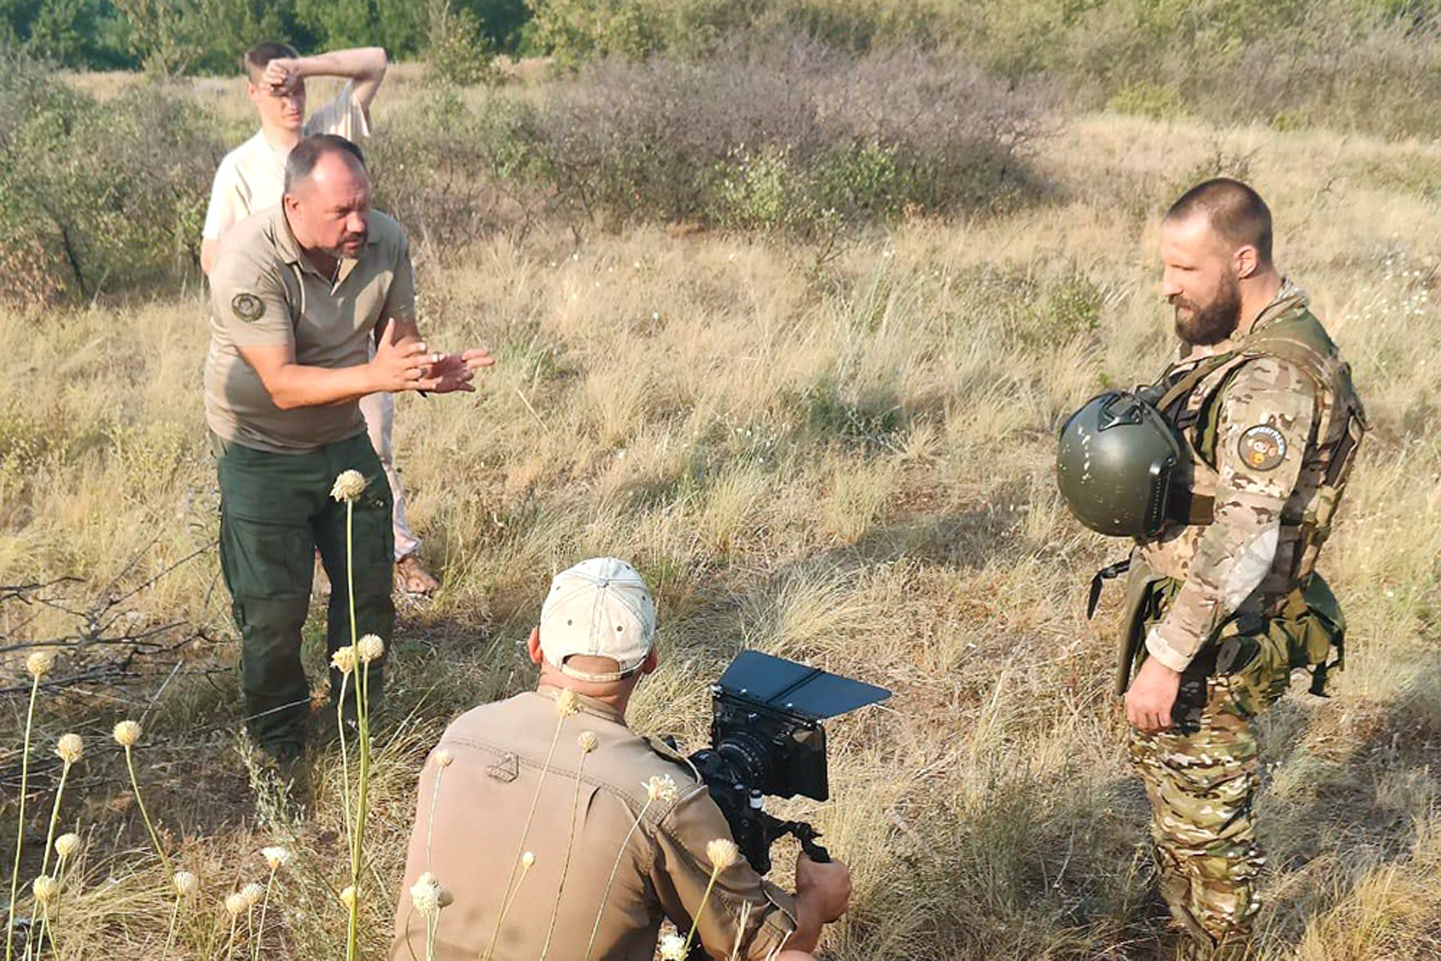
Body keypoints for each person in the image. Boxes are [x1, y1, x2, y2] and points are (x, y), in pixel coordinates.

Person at [1119, 180, 1366, 959]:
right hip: (1200, 619)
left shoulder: (1274, 377)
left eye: (1184, 269)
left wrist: (1164, 658)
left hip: (1219, 637)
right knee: (1183, 818)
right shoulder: (1245, 337)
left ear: (1243, 256)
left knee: (1206, 840)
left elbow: (1245, 537)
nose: (1167, 285)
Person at [389, 558, 853, 961]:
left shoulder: (462, 733)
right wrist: (815, 901)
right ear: (650, 660)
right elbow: (757, 946)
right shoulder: (659, 796)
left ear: (535, 647)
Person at [205, 134, 494, 759]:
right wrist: (379, 377)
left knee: (366, 594)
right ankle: (281, 743)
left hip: (343, 439)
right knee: (273, 614)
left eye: (364, 204)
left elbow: (399, 344)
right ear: (294, 206)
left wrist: (423, 370)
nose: (359, 222)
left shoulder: (385, 240)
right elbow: (280, 384)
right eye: (341, 211)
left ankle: (355, 727)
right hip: (261, 451)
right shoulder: (247, 259)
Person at [202, 41, 440, 596]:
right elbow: (216, 257)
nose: (291, 99)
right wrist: (262, 299)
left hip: (351, 334)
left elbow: (377, 62)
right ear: (253, 93)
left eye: (298, 88)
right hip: (278, 337)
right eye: (277, 88)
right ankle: (301, 559)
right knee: (287, 472)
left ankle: (395, 552)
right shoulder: (240, 168)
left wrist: (303, 66)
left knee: (372, 444)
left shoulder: (332, 132)